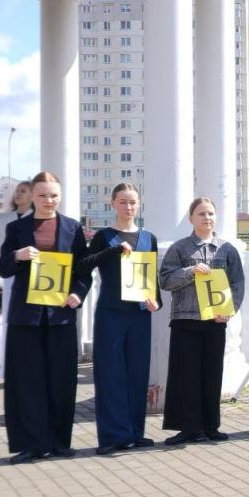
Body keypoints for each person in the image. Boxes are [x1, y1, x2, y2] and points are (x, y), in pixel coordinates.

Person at [0, 172, 91, 464]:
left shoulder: (73, 228)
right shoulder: (17, 228)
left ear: (59, 197)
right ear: (32, 196)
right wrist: (17, 255)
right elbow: (3, 267)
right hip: (25, 318)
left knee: (61, 381)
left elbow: (83, 271)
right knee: (26, 382)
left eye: (54, 195)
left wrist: (77, 293)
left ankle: (59, 442)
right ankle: (30, 444)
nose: (48, 201)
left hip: (60, 316)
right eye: (42, 195)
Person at [78, 183, 161, 454]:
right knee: (111, 374)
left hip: (139, 316)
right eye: (123, 202)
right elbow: (83, 265)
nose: (128, 207)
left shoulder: (149, 237)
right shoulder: (104, 237)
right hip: (111, 314)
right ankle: (114, 436)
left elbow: (152, 280)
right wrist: (111, 252)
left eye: (133, 202)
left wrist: (156, 302)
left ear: (139, 204)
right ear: (113, 203)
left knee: (137, 373)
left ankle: (135, 433)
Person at [158, 197, 245, 444]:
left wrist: (230, 310)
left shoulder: (227, 250)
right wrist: (190, 271)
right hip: (185, 320)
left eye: (210, 214)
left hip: (215, 321)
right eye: (201, 214)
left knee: (212, 375)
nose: (207, 218)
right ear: (191, 219)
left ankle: (210, 427)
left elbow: (237, 284)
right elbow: (165, 280)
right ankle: (189, 428)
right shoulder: (179, 248)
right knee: (186, 376)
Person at [0, 180, 32, 382]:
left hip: (29, 280)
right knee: (8, 323)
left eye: (23, 191)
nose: (18, 194)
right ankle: (7, 368)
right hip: (6, 275)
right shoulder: (4, 219)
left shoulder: (35, 219)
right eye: (17, 190)